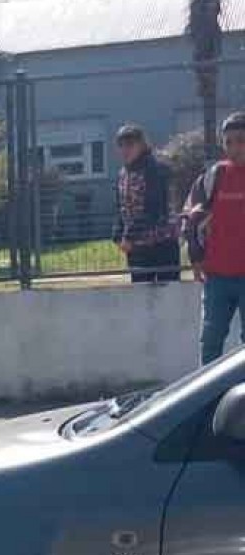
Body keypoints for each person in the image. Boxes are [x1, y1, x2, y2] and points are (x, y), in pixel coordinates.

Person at [184, 112, 245, 365]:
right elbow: (192, 218)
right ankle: (208, 404)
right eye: (228, 142)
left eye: (241, 140)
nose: (234, 148)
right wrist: (196, 258)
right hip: (217, 278)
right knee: (210, 345)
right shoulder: (213, 177)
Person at [113, 124, 180, 284]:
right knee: (141, 296)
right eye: (121, 145)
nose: (125, 150)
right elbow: (121, 207)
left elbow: (153, 208)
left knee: (168, 295)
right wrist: (117, 233)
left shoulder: (154, 169)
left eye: (130, 144)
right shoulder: (122, 174)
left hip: (163, 244)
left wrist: (129, 236)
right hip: (138, 248)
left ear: (142, 145)